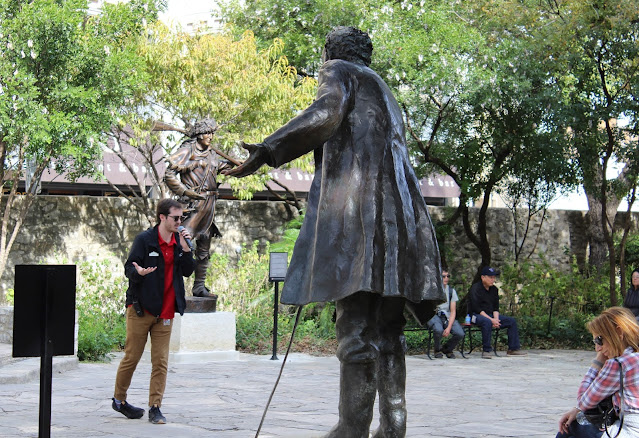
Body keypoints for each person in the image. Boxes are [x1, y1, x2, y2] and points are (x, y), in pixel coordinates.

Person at [223, 26, 444, 438]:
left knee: (357, 330)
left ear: (331, 51)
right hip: (398, 226)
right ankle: (393, 430)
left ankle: (351, 428)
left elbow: (325, 115)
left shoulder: (338, 70)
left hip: (358, 221)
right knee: (389, 332)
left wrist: (269, 149)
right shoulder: (386, 91)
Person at [111, 198, 195, 424]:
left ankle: (155, 406)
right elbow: (129, 268)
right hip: (141, 309)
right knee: (132, 357)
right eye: (175, 218)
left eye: (182, 218)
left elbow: (188, 271)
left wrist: (187, 247)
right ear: (162, 217)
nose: (180, 222)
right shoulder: (145, 240)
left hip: (166, 313)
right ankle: (119, 400)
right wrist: (138, 272)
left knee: (161, 361)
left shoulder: (180, 242)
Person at [164, 118, 231, 298]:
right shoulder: (187, 150)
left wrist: (241, 166)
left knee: (204, 248)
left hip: (209, 206)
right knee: (181, 244)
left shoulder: (212, 154)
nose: (211, 137)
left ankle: (199, 287)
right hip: (192, 205)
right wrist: (186, 192)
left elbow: (222, 169)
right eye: (208, 133)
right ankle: (171, 287)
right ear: (199, 134)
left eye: (212, 133)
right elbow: (169, 174)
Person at [557, 307, 639, 438]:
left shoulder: (619, 364)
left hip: (630, 430)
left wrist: (597, 362)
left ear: (618, 332)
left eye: (599, 340)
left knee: (569, 427)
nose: (597, 348)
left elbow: (583, 401)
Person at [468, 266, 526, 358]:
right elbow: (477, 308)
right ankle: (486, 350)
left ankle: (513, 349)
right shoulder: (475, 289)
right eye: (490, 277)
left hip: (491, 315)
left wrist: (496, 319)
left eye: (494, 277)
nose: (493, 279)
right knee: (486, 322)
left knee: (511, 321)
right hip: (475, 316)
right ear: (483, 277)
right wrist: (491, 320)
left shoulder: (494, 289)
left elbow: (496, 307)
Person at [426, 270, 464, 359]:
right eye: (443, 276)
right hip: (434, 314)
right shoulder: (432, 290)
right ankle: (437, 349)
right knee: (438, 329)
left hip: (447, 315)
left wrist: (449, 327)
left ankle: (447, 348)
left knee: (460, 333)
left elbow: (453, 311)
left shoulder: (451, 291)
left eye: (448, 276)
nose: (446, 278)